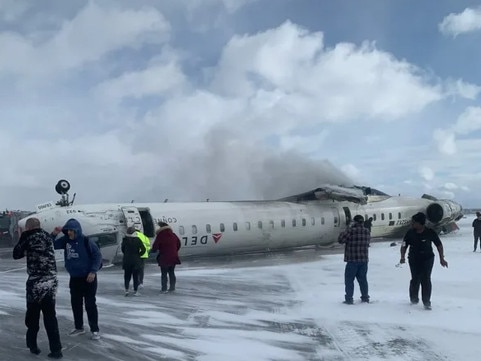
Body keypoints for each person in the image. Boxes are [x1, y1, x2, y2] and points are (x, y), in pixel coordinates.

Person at [12, 217, 63, 359]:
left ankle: (32, 345)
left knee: (33, 316)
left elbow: (16, 254)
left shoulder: (28, 237)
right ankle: (56, 350)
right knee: (50, 316)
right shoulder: (46, 236)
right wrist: (53, 234)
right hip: (51, 281)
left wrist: (23, 236)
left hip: (36, 282)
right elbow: (48, 242)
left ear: (27, 228)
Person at [51, 218, 102, 340]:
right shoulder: (65, 240)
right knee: (76, 304)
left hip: (88, 278)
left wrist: (93, 271)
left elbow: (97, 256)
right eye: (68, 231)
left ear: (77, 231)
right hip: (74, 278)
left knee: (90, 304)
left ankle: (94, 329)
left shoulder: (86, 241)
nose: (69, 233)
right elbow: (51, 244)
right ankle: (79, 327)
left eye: (71, 231)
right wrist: (54, 234)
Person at [400, 212, 448, 310]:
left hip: (427, 259)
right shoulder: (410, 232)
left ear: (420, 223)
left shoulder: (430, 232)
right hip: (413, 259)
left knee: (425, 279)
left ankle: (426, 302)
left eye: (414, 222)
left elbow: (439, 245)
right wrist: (402, 256)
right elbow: (404, 245)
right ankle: (414, 299)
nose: (412, 224)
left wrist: (441, 258)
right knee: (415, 279)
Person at [338, 215, 370, 304]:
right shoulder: (367, 231)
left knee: (349, 281)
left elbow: (340, 240)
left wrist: (347, 229)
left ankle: (349, 299)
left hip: (352, 260)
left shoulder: (350, 231)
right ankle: (365, 297)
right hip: (363, 260)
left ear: (354, 222)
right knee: (363, 280)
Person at [151, 222, 181, 293]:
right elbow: (179, 244)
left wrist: (153, 251)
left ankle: (164, 289)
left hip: (164, 257)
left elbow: (155, 247)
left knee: (164, 274)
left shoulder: (160, 236)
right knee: (171, 272)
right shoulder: (174, 235)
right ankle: (172, 287)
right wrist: (174, 251)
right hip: (173, 257)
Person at [122, 227, 146, 296]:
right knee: (135, 277)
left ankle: (126, 290)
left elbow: (123, 249)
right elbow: (143, 249)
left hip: (127, 260)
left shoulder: (124, 240)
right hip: (136, 261)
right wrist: (139, 255)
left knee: (127, 276)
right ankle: (135, 291)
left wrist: (126, 254)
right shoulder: (137, 240)